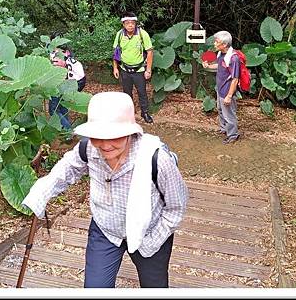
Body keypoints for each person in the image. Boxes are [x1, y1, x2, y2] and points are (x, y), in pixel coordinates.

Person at [22, 92, 188, 288]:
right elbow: (66, 170)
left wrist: (151, 242)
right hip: (105, 230)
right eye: (98, 136)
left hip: (149, 232)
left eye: (115, 136)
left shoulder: (157, 159)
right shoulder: (88, 148)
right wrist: (41, 192)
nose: (105, 145)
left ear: (130, 133)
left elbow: (176, 208)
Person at [112, 12, 154, 124]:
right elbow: (116, 52)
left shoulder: (142, 34)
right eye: (127, 23)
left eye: (132, 23)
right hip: (125, 69)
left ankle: (144, 112)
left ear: (135, 23)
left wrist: (148, 69)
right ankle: (129, 113)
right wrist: (115, 68)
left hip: (139, 69)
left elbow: (149, 52)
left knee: (142, 92)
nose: (130, 25)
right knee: (127, 93)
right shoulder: (120, 34)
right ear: (123, 24)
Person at [201, 31, 240, 144]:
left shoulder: (233, 58)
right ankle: (224, 129)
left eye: (216, 42)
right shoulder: (221, 54)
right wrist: (208, 66)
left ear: (224, 44)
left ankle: (233, 135)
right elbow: (220, 66)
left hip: (227, 90)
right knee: (220, 109)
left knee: (229, 114)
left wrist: (229, 96)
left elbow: (235, 79)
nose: (214, 44)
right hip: (220, 88)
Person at [48, 42, 86, 131]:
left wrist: (64, 64)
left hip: (67, 83)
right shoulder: (68, 55)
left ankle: (68, 130)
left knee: (53, 110)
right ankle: (66, 131)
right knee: (63, 105)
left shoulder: (61, 57)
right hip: (73, 82)